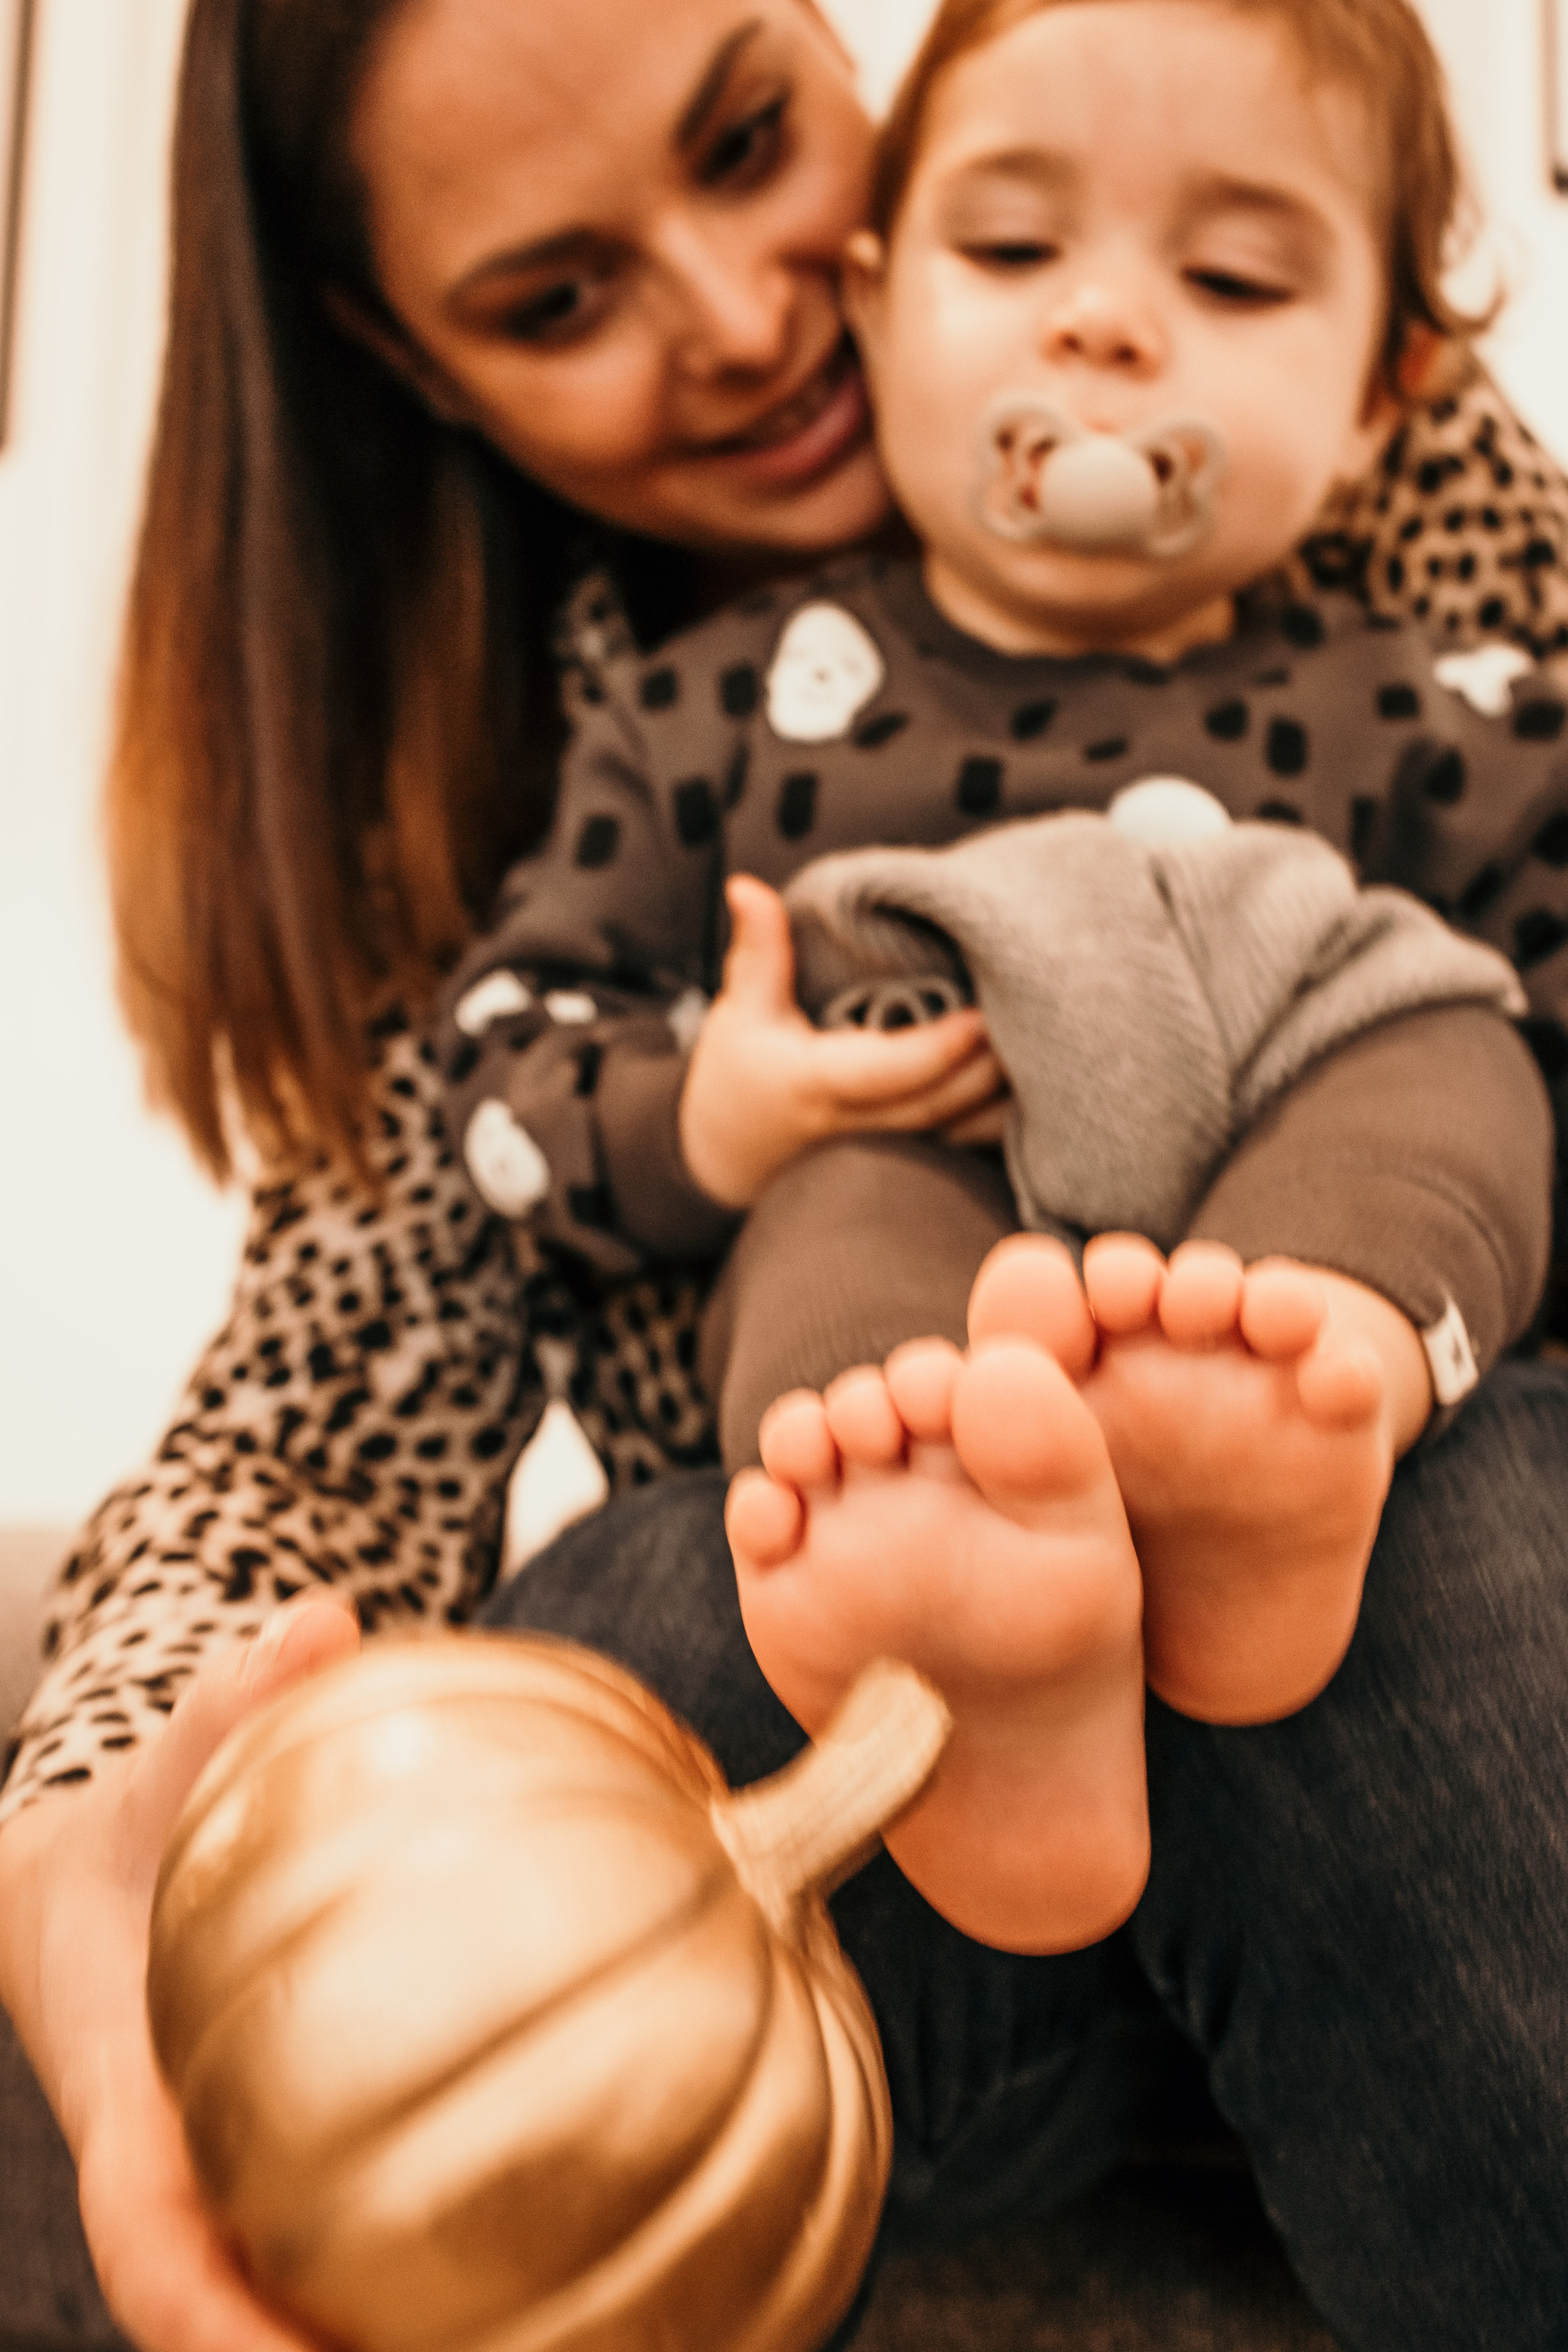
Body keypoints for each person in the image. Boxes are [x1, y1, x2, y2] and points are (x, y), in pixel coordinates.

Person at [1, 2, 1566, 2349]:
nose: (744, 320)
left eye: (751, 140)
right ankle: (948, 1534)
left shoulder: (1385, 547)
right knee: (714, 1525)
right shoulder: (648, 721)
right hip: (849, 1692)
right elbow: (324, 1404)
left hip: (1395, 1539)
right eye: (559, 297)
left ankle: (1301, 1417)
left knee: (1432, 1423)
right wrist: (106, 1858)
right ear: (405, 360)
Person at [432, 0, 1561, 1953]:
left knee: (1459, 1048)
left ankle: (1305, 1391)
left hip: (1314, 1135)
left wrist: (1438, 1216)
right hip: (932, 1159)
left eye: (1228, 274)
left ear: (1387, 396)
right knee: (844, 1219)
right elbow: (510, 1068)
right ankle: (950, 1582)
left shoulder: (1450, 708)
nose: (1107, 326)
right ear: (874, 311)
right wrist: (713, 1114)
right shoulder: (712, 716)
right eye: (1013, 250)